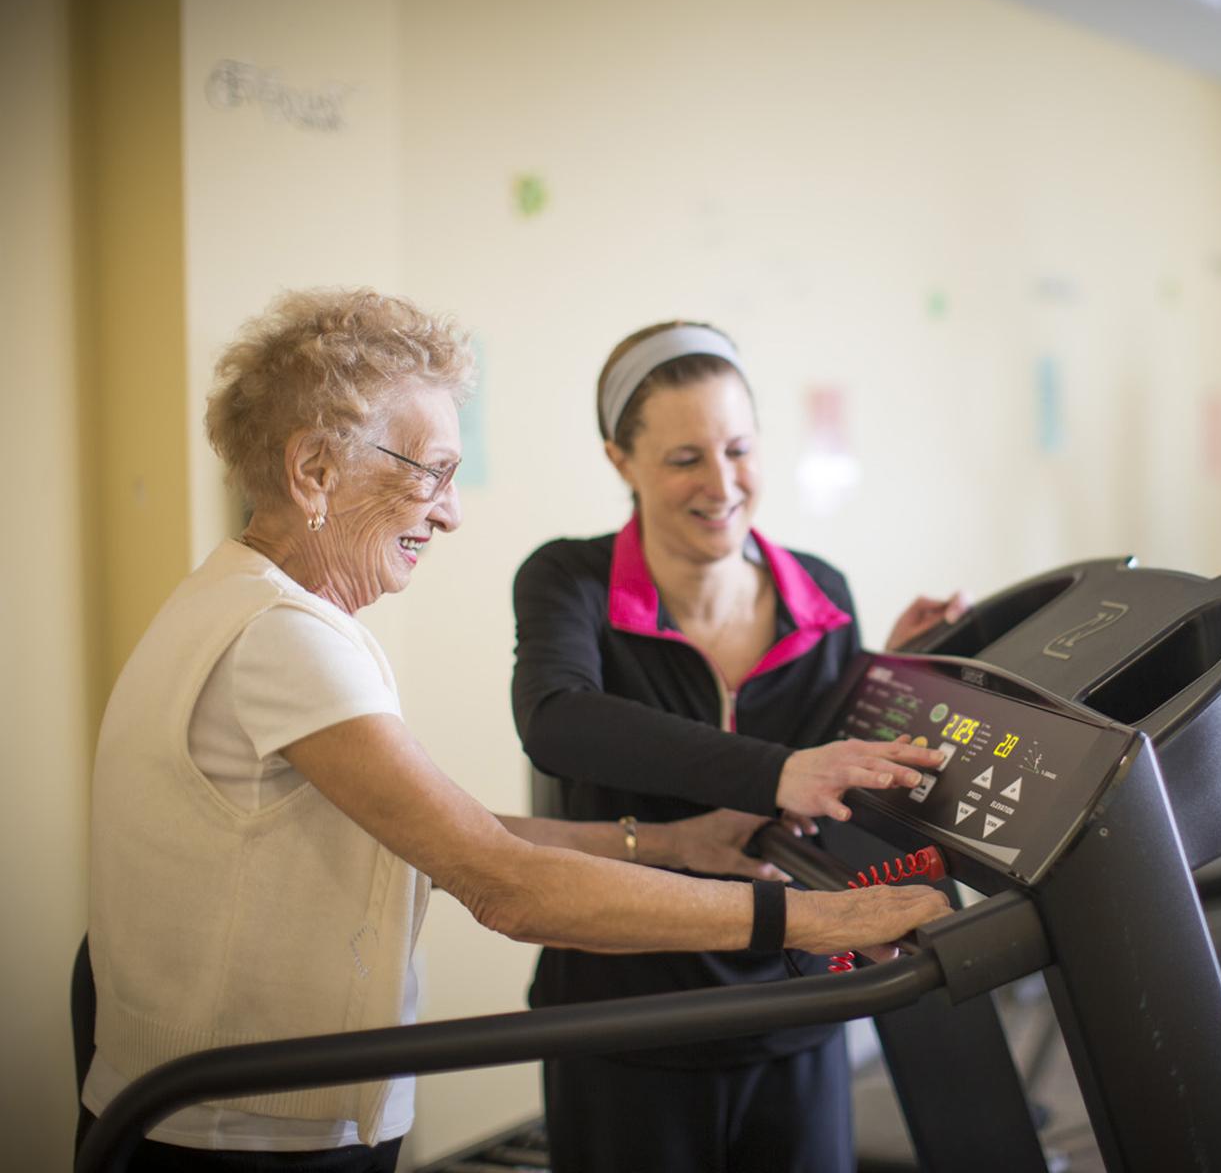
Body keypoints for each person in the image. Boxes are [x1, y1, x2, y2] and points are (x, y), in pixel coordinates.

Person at [81, 291, 950, 1171]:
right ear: (313, 471)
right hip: (239, 1129)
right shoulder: (286, 640)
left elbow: (449, 833)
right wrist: (810, 920)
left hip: (220, 1101)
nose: (451, 513)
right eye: (432, 472)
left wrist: (669, 838)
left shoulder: (237, 604)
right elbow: (502, 883)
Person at [512, 321, 969, 1173]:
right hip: (623, 1016)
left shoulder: (819, 595)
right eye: (685, 458)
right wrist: (780, 771)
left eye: (740, 449)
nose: (722, 484)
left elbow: (830, 783)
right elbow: (556, 720)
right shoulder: (568, 581)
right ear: (621, 461)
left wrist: (886, 680)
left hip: (789, 1008)